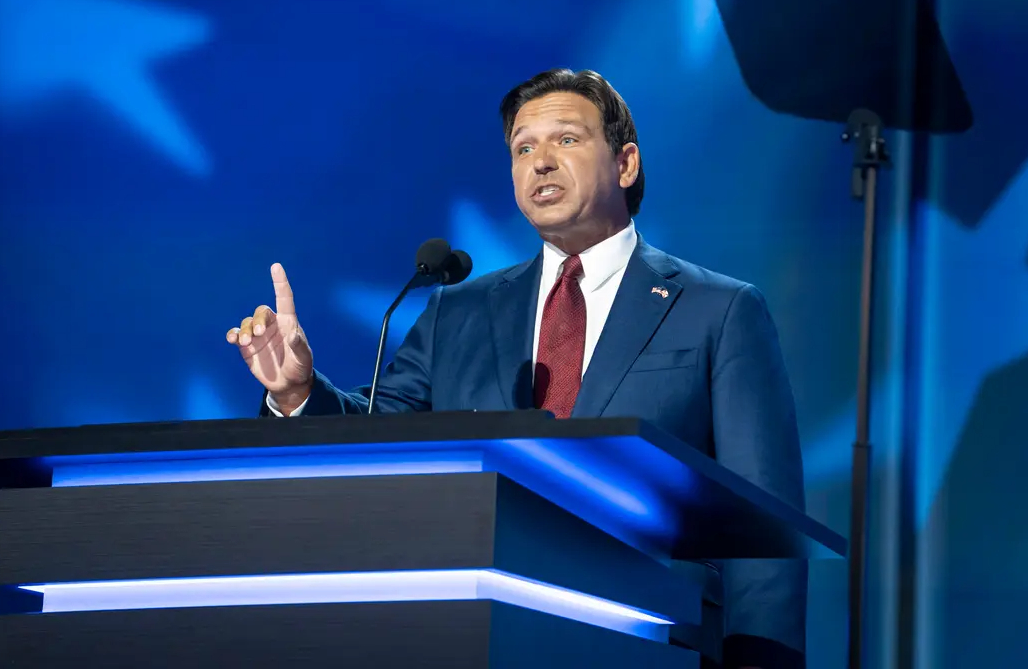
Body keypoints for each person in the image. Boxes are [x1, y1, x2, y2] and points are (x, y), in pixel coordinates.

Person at [227, 68, 807, 669]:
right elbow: (378, 431)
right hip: (474, 638)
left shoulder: (719, 310)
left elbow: (764, 538)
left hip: (652, 645)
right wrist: (298, 392)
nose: (541, 162)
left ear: (626, 163)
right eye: (523, 148)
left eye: (566, 139)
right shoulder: (459, 311)